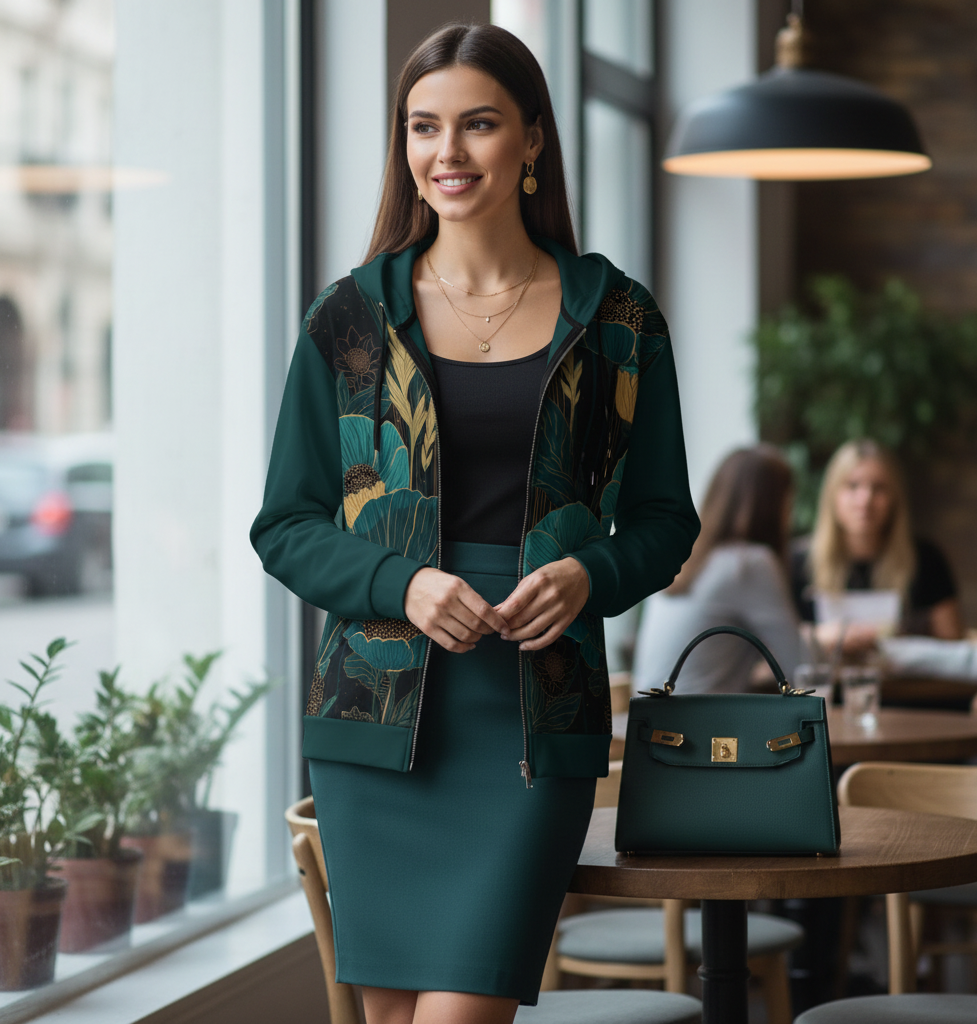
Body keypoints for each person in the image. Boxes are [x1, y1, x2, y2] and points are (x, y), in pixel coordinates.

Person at [250, 24, 699, 1024]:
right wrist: (401, 584)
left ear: (531, 141)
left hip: (533, 719)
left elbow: (666, 519)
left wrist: (590, 575)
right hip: (375, 717)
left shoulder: (617, 319)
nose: (445, 154)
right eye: (423, 128)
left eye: (478, 125)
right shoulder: (347, 321)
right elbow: (285, 523)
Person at [635, 446, 807, 694]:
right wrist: (821, 637)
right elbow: (803, 670)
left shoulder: (682, 559)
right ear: (775, 505)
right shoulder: (749, 564)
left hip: (649, 723)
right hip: (701, 727)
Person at [791, 439, 964, 645]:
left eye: (879, 488)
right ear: (832, 495)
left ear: (894, 498)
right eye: (852, 486)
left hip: (906, 677)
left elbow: (952, 641)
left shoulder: (926, 559)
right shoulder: (798, 561)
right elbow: (778, 642)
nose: (865, 499)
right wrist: (822, 636)